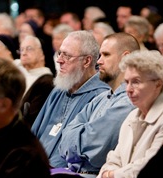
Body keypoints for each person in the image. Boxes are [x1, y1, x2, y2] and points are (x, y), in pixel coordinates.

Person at [95, 50, 163, 178]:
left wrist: (111, 176)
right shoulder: (132, 115)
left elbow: (150, 166)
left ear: (158, 84)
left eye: (136, 82)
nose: (128, 89)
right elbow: (113, 159)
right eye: (127, 82)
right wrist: (108, 175)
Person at [59, 32, 139, 176]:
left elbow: (96, 152)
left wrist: (76, 145)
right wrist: (78, 145)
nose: (99, 61)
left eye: (106, 55)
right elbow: (64, 138)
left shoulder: (129, 102)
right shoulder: (100, 99)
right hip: (78, 176)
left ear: (126, 58)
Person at [31, 30, 110, 167]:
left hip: (63, 176)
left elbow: (87, 152)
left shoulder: (100, 97)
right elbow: (34, 134)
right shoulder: (59, 89)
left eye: (67, 56)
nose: (59, 60)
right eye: (60, 53)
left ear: (86, 61)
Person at [19, 36, 54, 127]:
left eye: (29, 49)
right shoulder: (19, 75)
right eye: (21, 50)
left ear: (42, 54)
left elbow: (33, 118)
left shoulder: (47, 82)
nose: (24, 53)